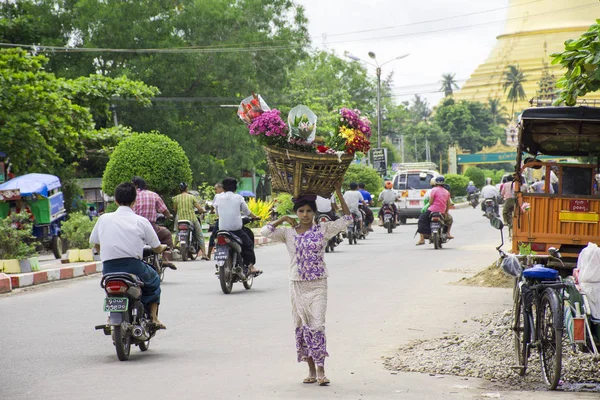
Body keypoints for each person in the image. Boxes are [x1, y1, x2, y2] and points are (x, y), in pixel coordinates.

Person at [261, 183, 352, 386]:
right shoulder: (288, 233)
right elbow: (265, 231)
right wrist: (283, 219)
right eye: (301, 211)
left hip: (318, 284)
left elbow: (347, 219)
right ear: (296, 212)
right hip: (297, 285)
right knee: (302, 326)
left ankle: (321, 369)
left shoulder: (323, 229)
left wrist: (338, 192)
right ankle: (310, 367)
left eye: (309, 211)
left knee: (317, 325)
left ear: (314, 212)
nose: (304, 215)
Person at [90, 182, 167, 329]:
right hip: (134, 267)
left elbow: (96, 244)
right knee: (154, 281)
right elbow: (156, 247)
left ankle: (110, 317)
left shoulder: (103, 219)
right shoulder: (141, 221)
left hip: (109, 269)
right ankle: (154, 318)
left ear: (116, 201)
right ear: (134, 201)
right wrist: (162, 247)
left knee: (110, 290)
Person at [214, 178, 261, 276]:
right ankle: (250, 266)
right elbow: (247, 212)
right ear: (235, 187)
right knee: (248, 244)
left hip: (222, 230)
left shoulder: (218, 197)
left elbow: (217, 212)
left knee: (215, 243)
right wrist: (255, 217)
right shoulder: (238, 197)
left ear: (223, 187)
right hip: (235, 230)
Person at [131, 177, 176, 270]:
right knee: (167, 234)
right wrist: (169, 216)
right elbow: (164, 210)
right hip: (151, 227)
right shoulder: (153, 195)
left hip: (132, 227)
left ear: (135, 185)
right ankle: (165, 259)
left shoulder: (130, 196)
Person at [172, 182, 208, 260]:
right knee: (199, 235)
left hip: (180, 220)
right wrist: (202, 211)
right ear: (186, 188)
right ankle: (204, 254)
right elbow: (199, 208)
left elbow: (174, 209)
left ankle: (173, 247)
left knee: (177, 234)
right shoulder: (191, 197)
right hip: (191, 219)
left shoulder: (176, 198)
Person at [416, 176, 453, 245]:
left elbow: (431, 201)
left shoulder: (434, 190)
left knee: (421, 219)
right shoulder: (447, 192)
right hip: (442, 211)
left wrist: (426, 206)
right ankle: (448, 233)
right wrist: (446, 212)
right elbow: (448, 204)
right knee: (450, 219)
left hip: (432, 210)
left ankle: (421, 239)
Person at [207, 182, 224, 260]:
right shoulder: (235, 196)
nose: (215, 191)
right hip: (230, 221)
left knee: (213, 235)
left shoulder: (217, 196)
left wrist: (212, 211)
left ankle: (208, 254)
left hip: (221, 220)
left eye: (216, 189)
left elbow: (212, 206)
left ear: (221, 188)